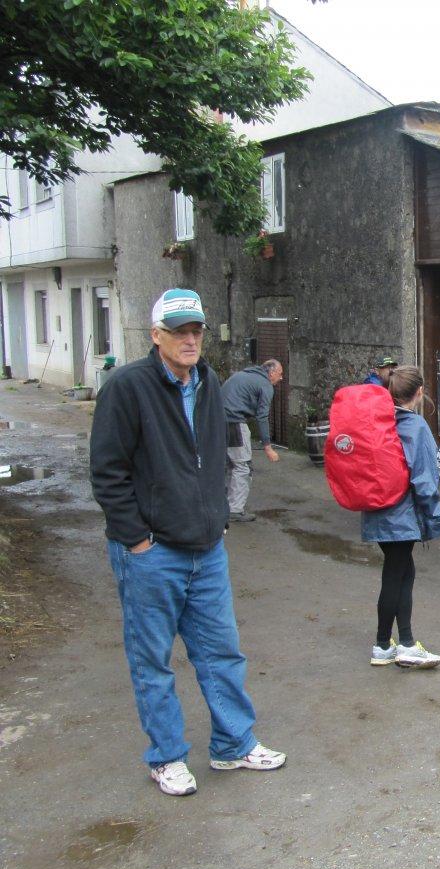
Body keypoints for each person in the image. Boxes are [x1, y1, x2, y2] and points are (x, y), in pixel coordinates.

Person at [90, 288, 285, 797]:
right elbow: (107, 473)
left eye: (196, 329)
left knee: (222, 652)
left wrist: (218, 516)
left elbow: (214, 454)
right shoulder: (126, 387)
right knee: (152, 661)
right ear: (157, 337)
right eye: (179, 331)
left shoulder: (208, 381)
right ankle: (166, 757)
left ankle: (233, 745)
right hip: (152, 553)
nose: (190, 339)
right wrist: (136, 540)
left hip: (206, 548)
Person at [363, 366, 440, 665]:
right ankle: (395, 645)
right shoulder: (416, 426)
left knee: (400, 572)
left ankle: (388, 645)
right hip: (401, 515)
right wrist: (435, 518)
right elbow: (424, 480)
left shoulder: (377, 421)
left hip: (376, 509)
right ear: (419, 392)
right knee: (395, 576)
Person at [222, 359, 283, 523]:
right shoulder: (265, 385)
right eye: (280, 374)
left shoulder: (243, 375)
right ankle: (234, 510)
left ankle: (222, 506)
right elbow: (262, 417)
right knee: (243, 466)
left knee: (227, 465)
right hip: (234, 423)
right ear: (271, 373)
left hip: (217, 421)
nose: (281, 378)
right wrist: (268, 447)